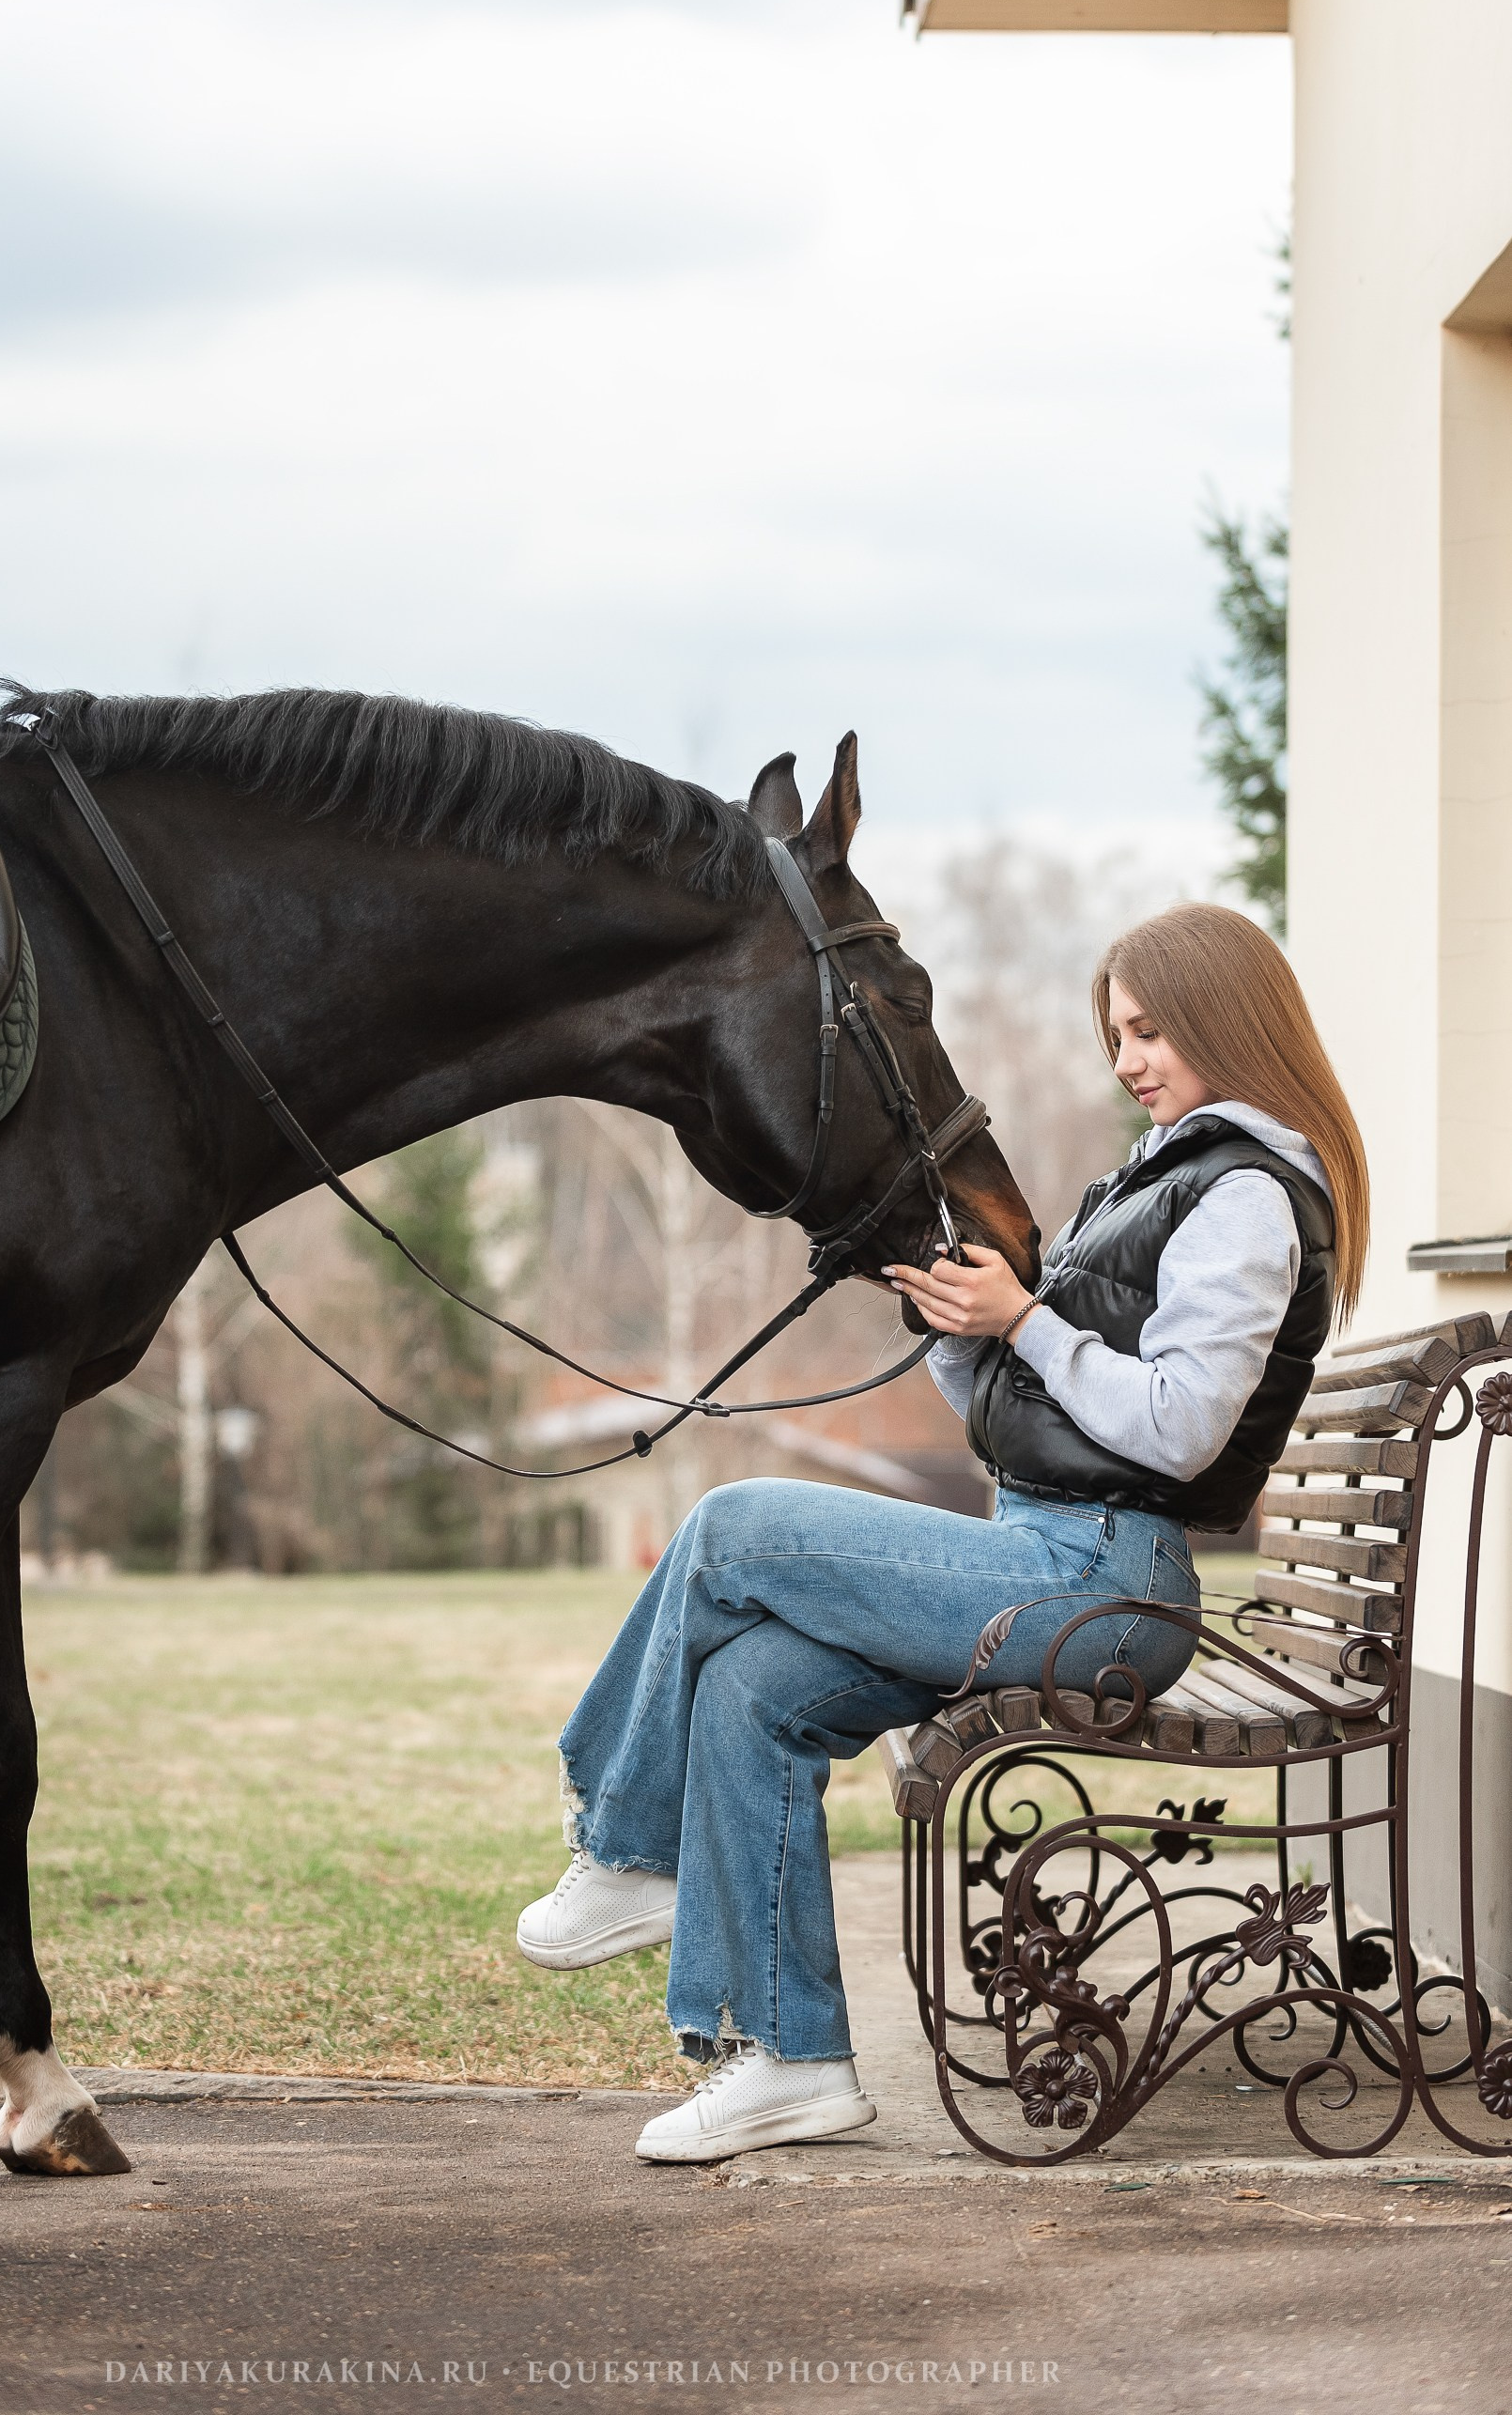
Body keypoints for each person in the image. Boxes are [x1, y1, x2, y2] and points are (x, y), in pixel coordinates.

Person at [513, 903, 1368, 2164]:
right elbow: (1033, 1409)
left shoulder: (1242, 1192)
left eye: (1150, 1029)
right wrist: (959, 1328)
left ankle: (630, 1847)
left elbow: (1181, 1428)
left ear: (1224, 1018)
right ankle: (790, 2064)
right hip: (1047, 1552)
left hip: (1101, 1577)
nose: (1128, 1058)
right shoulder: (1157, 1175)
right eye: (1115, 1034)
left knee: (730, 1524)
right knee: (750, 1686)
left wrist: (1023, 1318)